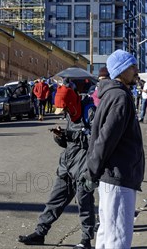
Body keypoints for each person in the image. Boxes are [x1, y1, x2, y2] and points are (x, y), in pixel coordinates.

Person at [83, 50, 145, 249]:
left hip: (113, 176)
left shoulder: (113, 94)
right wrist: (92, 170)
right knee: (117, 238)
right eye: (132, 66)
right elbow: (106, 139)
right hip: (118, 176)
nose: (136, 70)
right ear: (120, 71)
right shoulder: (120, 97)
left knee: (107, 234)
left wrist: (93, 171)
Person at [17, 90, 94, 249]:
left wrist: (70, 135)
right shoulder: (71, 114)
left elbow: (96, 141)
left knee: (85, 205)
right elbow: (70, 143)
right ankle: (40, 233)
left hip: (84, 168)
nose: (64, 113)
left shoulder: (90, 112)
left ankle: (86, 241)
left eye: (65, 109)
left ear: (71, 104)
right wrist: (60, 137)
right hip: (67, 165)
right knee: (54, 201)